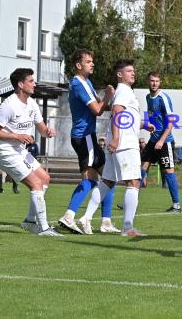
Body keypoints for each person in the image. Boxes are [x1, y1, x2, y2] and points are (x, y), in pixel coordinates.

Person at [0, 68, 62, 236]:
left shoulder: (32, 103)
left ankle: (29, 221)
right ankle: (43, 228)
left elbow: (41, 128)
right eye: (31, 81)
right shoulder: (8, 105)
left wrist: (47, 132)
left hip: (20, 151)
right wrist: (16, 136)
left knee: (44, 178)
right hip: (5, 152)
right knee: (36, 184)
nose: (34, 84)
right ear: (21, 85)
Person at [78, 59, 148, 237]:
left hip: (118, 143)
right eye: (129, 71)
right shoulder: (124, 91)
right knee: (134, 183)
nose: (133, 73)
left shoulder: (124, 91)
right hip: (124, 145)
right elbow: (117, 112)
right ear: (120, 74)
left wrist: (143, 125)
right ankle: (128, 227)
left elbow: (125, 118)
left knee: (108, 182)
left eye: (133, 70)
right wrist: (117, 139)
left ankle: (85, 218)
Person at [57, 49, 118, 235]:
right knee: (91, 180)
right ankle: (68, 217)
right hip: (84, 136)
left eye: (92, 61)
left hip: (87, 136)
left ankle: (106, 221)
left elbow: (101, 105)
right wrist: (108, 95)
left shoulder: (87, 82)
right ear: (78, 65)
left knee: (109, 178)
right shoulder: (78, 83)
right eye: (89, 61)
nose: (92, 64)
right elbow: (97, 110)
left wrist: (118, 106)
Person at [141, 72, 182, 212]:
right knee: (140, 170)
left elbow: (171, 122)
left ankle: (176, 205)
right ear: (148, 81)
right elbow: (152, 118)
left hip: (165, 142)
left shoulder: (163, 98)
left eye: (157, 81)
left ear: (160, 82)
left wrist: (162, 140)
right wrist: (148, 126)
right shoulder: (148, 97)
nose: (154, 83)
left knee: (168, 173)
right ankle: (131, 200)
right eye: (152, 81)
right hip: (153, 140)